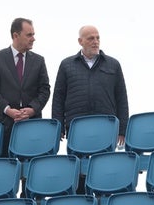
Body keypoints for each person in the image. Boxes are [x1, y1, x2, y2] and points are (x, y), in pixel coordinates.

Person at [52, 25, 129, 192]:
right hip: (76, 127)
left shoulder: (113, 65)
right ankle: (80, 202)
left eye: (97, 38)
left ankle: (105, 200)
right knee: (79, 168)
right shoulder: (66, 65)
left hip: (106, 127)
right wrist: (58, 127)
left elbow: (122, 98)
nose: (95, 42)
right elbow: (58, 97)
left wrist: (122, 128)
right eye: (90, 38)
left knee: (105, 165)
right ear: (80, 41)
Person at [0, 17, 51, 157]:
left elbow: (45, 89)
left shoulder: (39, 61)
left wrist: (33, 109)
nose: (33, 38)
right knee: (3, 171)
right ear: (16, 35)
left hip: (32, 126)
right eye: (29, 35)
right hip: (3, 124)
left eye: (33, 34)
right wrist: (8, 110)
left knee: (32, 173)